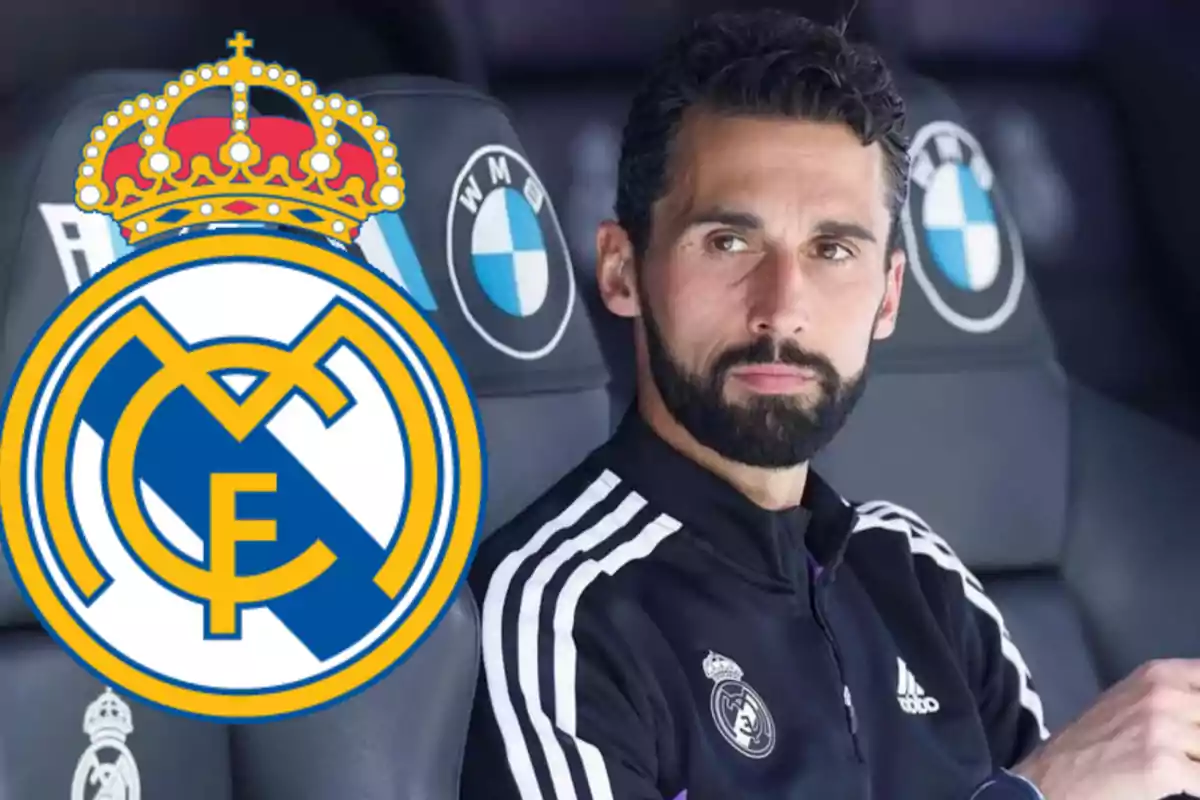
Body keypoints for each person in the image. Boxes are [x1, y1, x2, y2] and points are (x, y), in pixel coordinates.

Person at [459, 9, 1200, 800]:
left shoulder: (921, 578)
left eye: (833, 250)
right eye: (729, 243)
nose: (783, 308)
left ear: (887, 297)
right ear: (621, 271)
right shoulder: (566, 606)